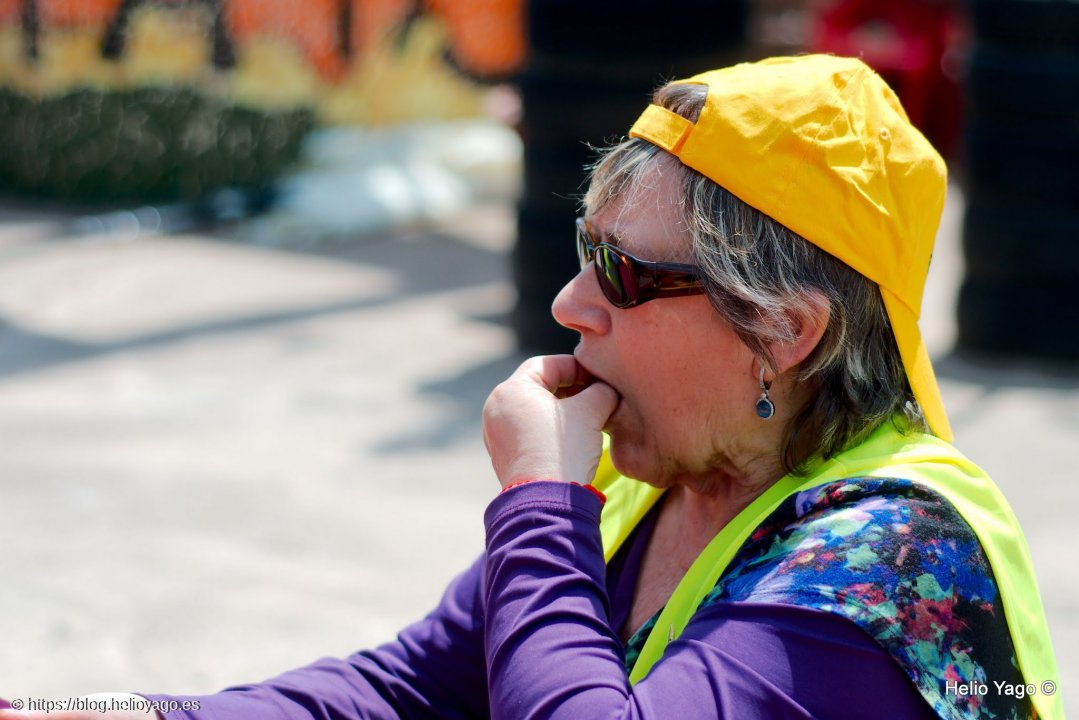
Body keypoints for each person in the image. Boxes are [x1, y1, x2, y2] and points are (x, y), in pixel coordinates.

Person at [0, 54, 1063, 720]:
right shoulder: (680, 485)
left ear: (782, 331)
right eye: (580, 249)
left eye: (625, 274)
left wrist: (538, 508)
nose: (567, 303)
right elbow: (404, 693)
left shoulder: (889, 563)